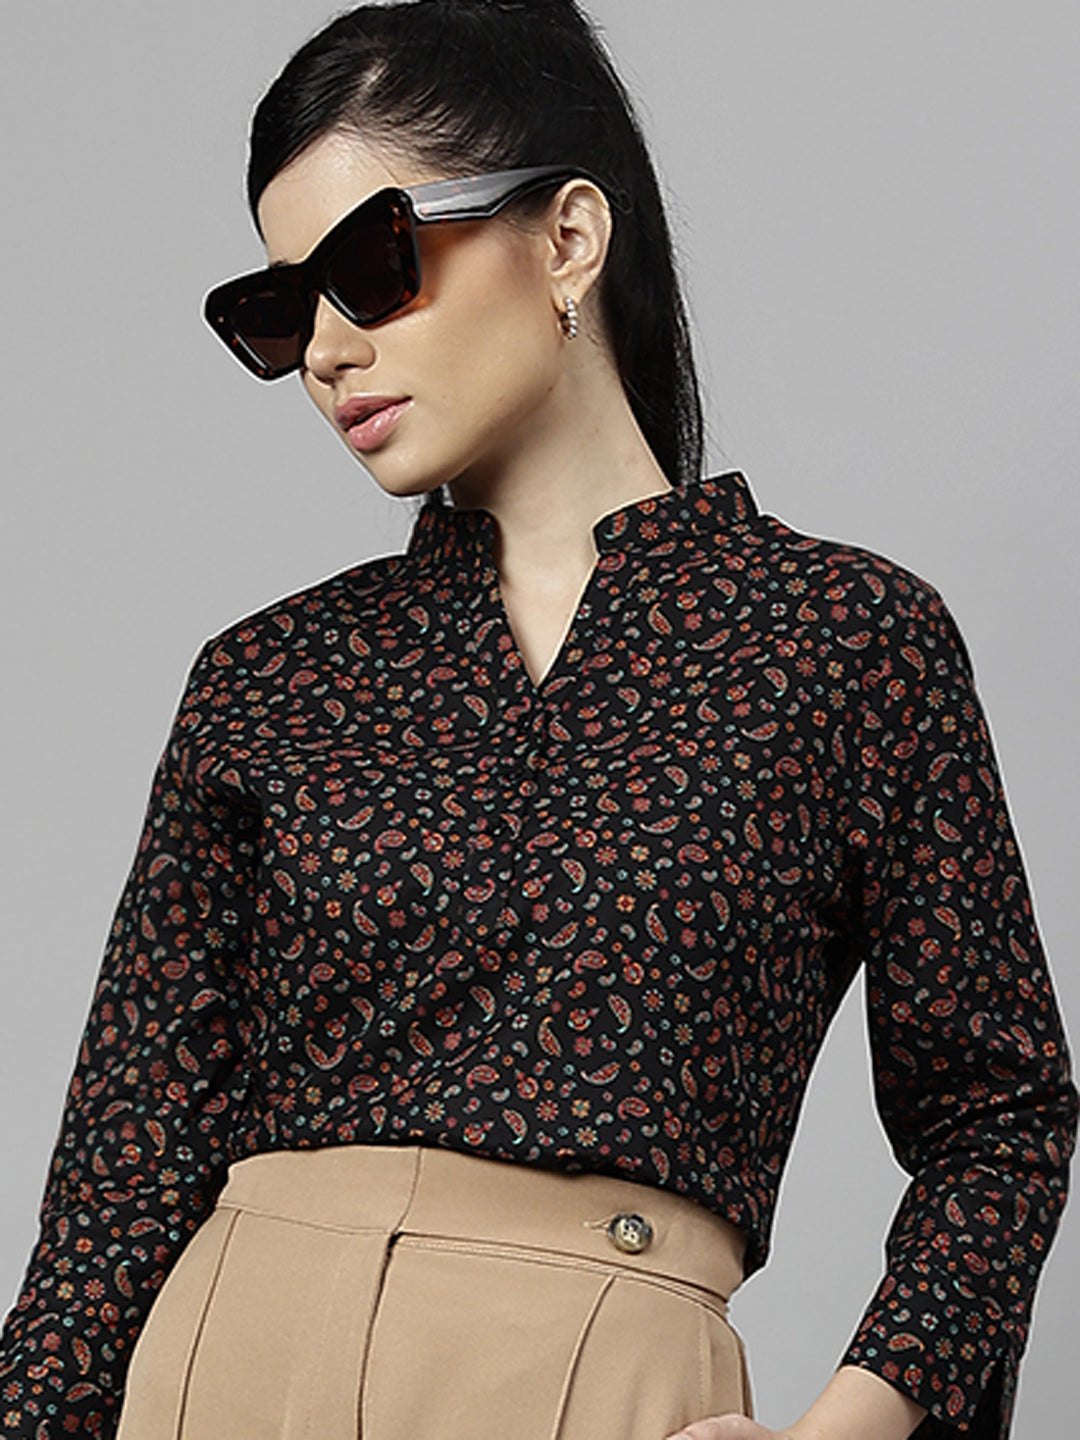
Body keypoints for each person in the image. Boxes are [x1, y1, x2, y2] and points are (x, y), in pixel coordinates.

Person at [0, 1, 1075, 1437]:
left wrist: (853, 1427)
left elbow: (1000, 1116)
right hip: (226, 1369)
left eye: (370, 268)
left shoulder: (843, 642)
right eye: (283, 308)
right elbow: (119, 1184)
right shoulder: (267, 676)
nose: (325, 352)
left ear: (568, 237)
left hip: (600, 1379)